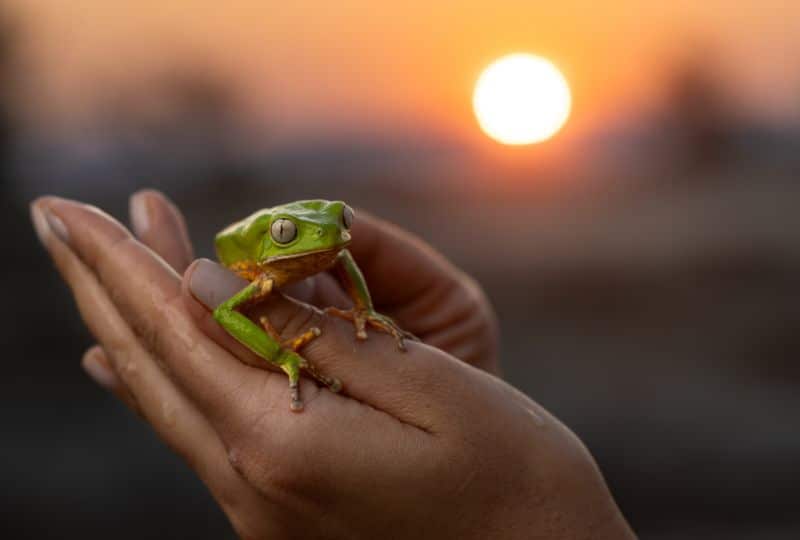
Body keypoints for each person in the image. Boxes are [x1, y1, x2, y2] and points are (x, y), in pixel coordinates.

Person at [30, 190, 636, 539]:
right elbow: (231, 311)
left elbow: (342, 262)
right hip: (247, 263)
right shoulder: (267, 259)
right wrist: (280, 352)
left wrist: (363, 310)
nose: (331, 237)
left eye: (339, 221)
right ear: (280, 236)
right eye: (301, 231)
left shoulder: (332, 253)